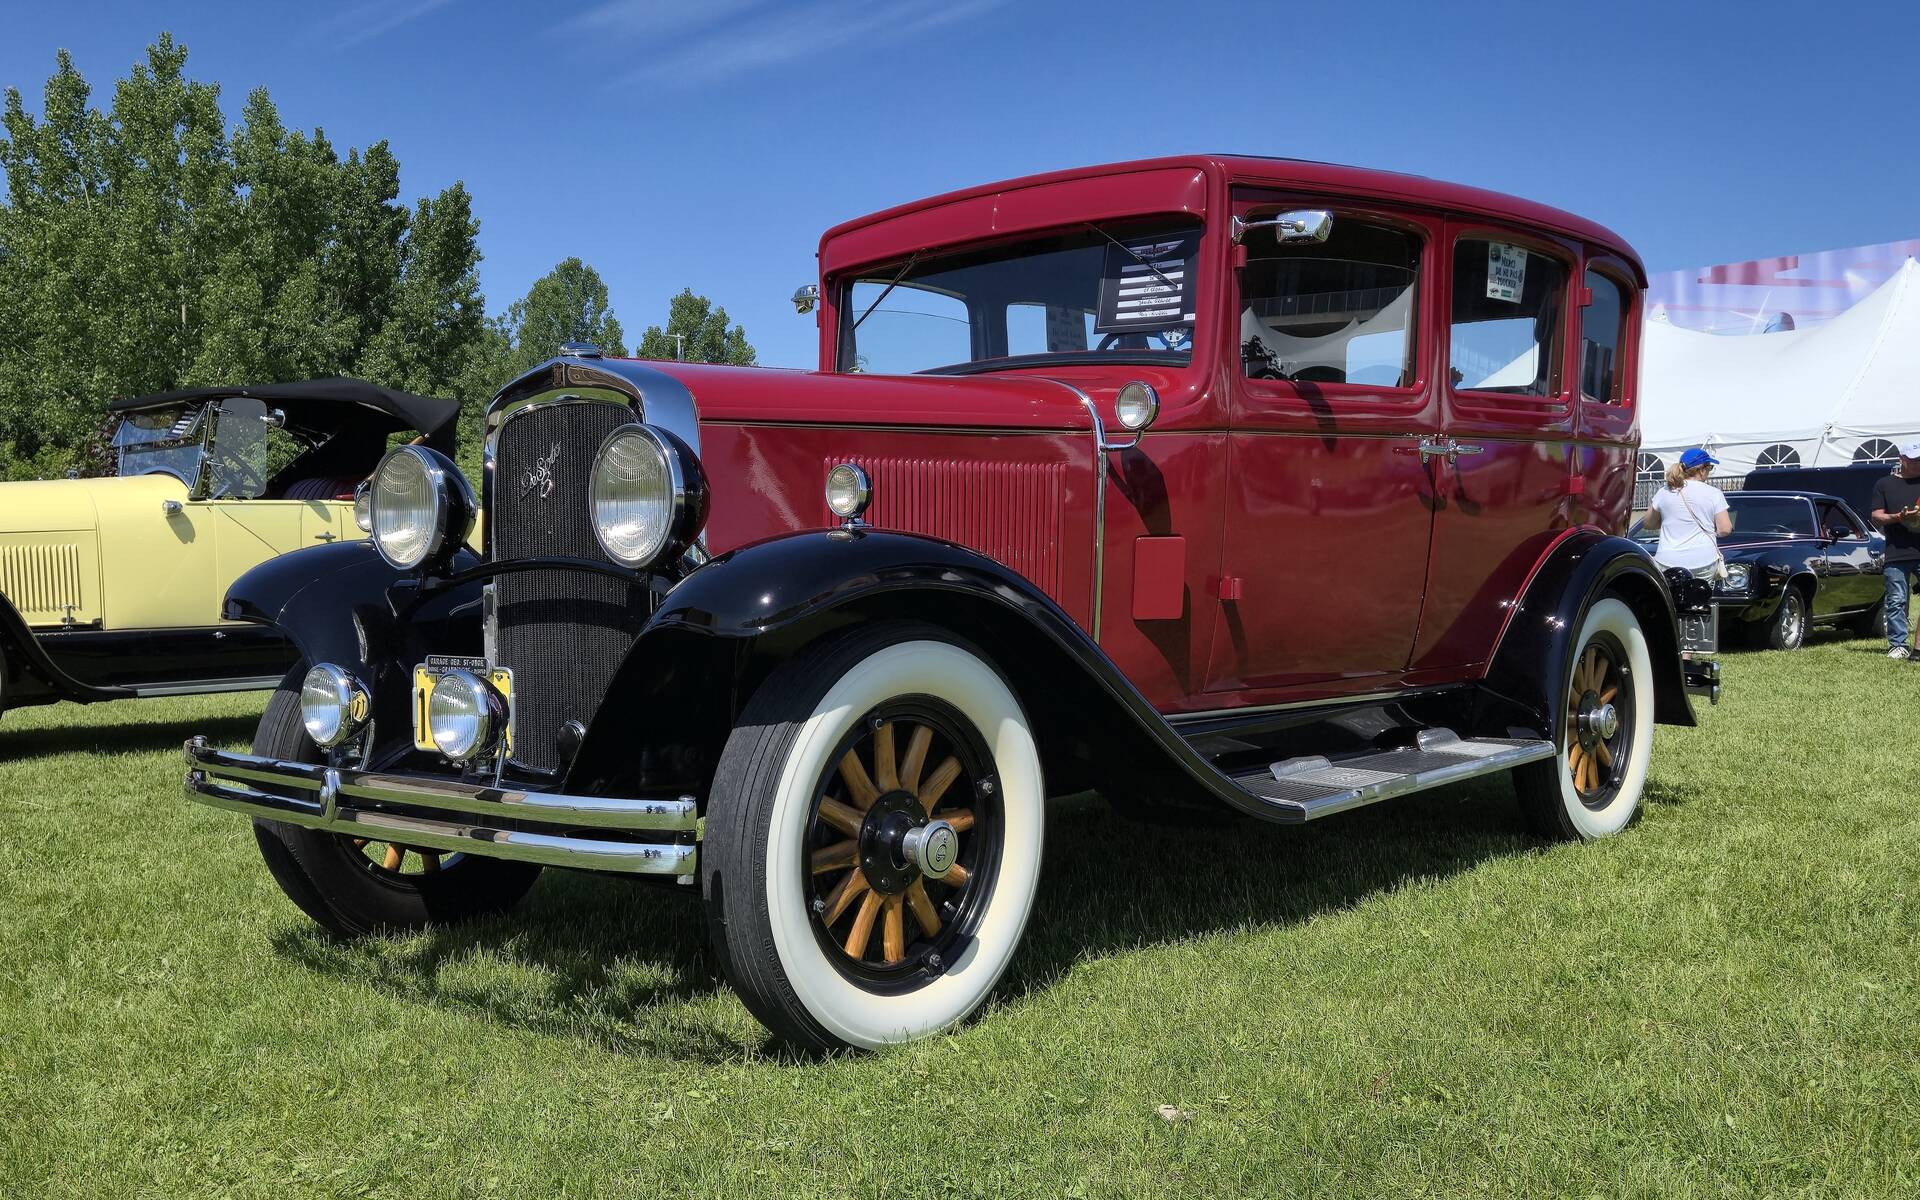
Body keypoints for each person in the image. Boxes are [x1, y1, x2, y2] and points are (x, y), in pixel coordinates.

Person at [1641, 447, 1732, 579]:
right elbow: (1725, 529)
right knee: (1700, 597)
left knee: (1669, 598)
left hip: (1667, 559)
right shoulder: (1714, 493)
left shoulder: (1664, 492)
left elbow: (1648, 524)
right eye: (1709, 468)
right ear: (1701, 470)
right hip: (1703, 559)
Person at [1868, 440, 1920, 660]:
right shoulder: (1884, 484)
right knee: (1897, 600)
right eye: (1915, 460)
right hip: (1896, 552)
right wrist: (1898, 517)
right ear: (1902, 459)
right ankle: (1898, 644)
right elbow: (1876, 516)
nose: (1919, 464)